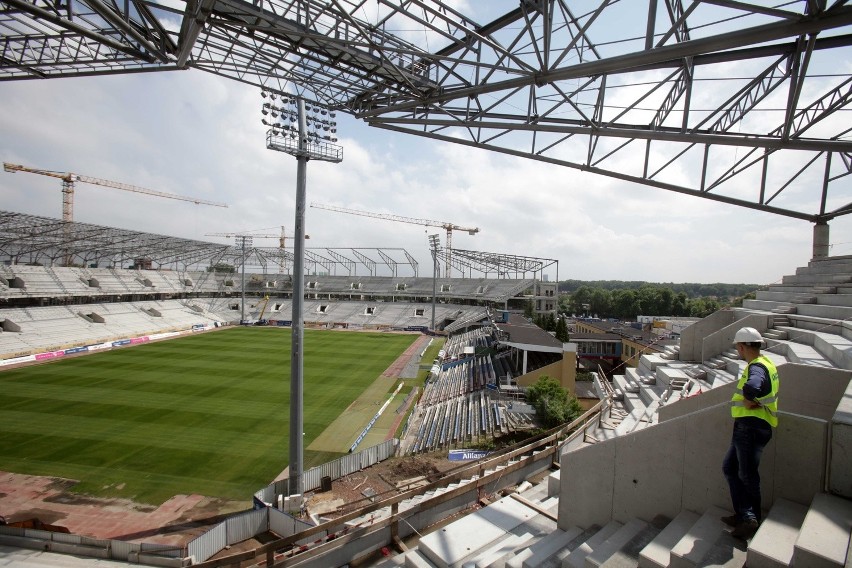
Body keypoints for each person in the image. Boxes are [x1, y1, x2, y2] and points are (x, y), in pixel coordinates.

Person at [722, 326, 779, 539]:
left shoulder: (756, 367)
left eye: (738, 347)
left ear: (742, 346)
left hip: (750, 428)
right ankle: (744, 514)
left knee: (747, 476)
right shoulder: (768, 364)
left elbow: (753, 387)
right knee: (730, 468)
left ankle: (750, 519)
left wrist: (749, 400)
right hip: (756, 428)